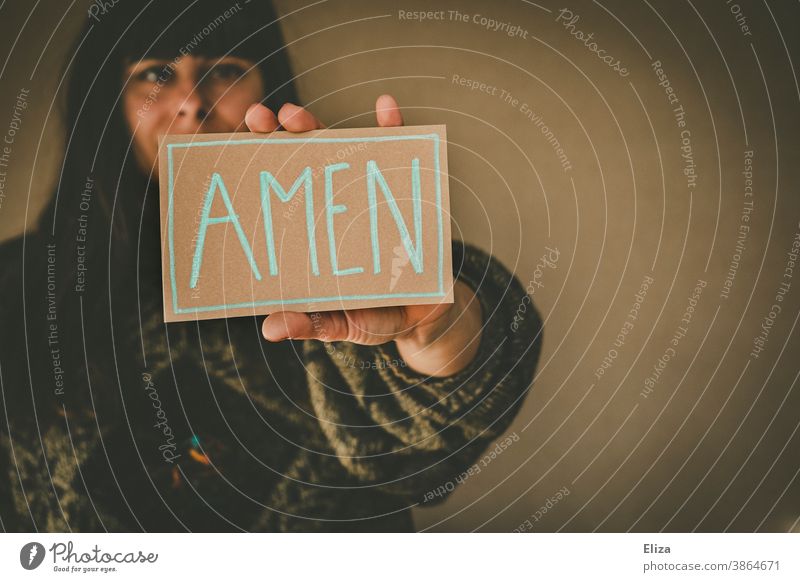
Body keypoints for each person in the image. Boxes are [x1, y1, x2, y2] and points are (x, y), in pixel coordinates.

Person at [0, 0, 542, 532]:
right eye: (156, 73)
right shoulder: (16, 287)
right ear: (108, 104)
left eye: (226, 70)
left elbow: (416, 463)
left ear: (268, 88)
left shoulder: (348, 260)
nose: (192, 102)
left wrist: (438, 332)